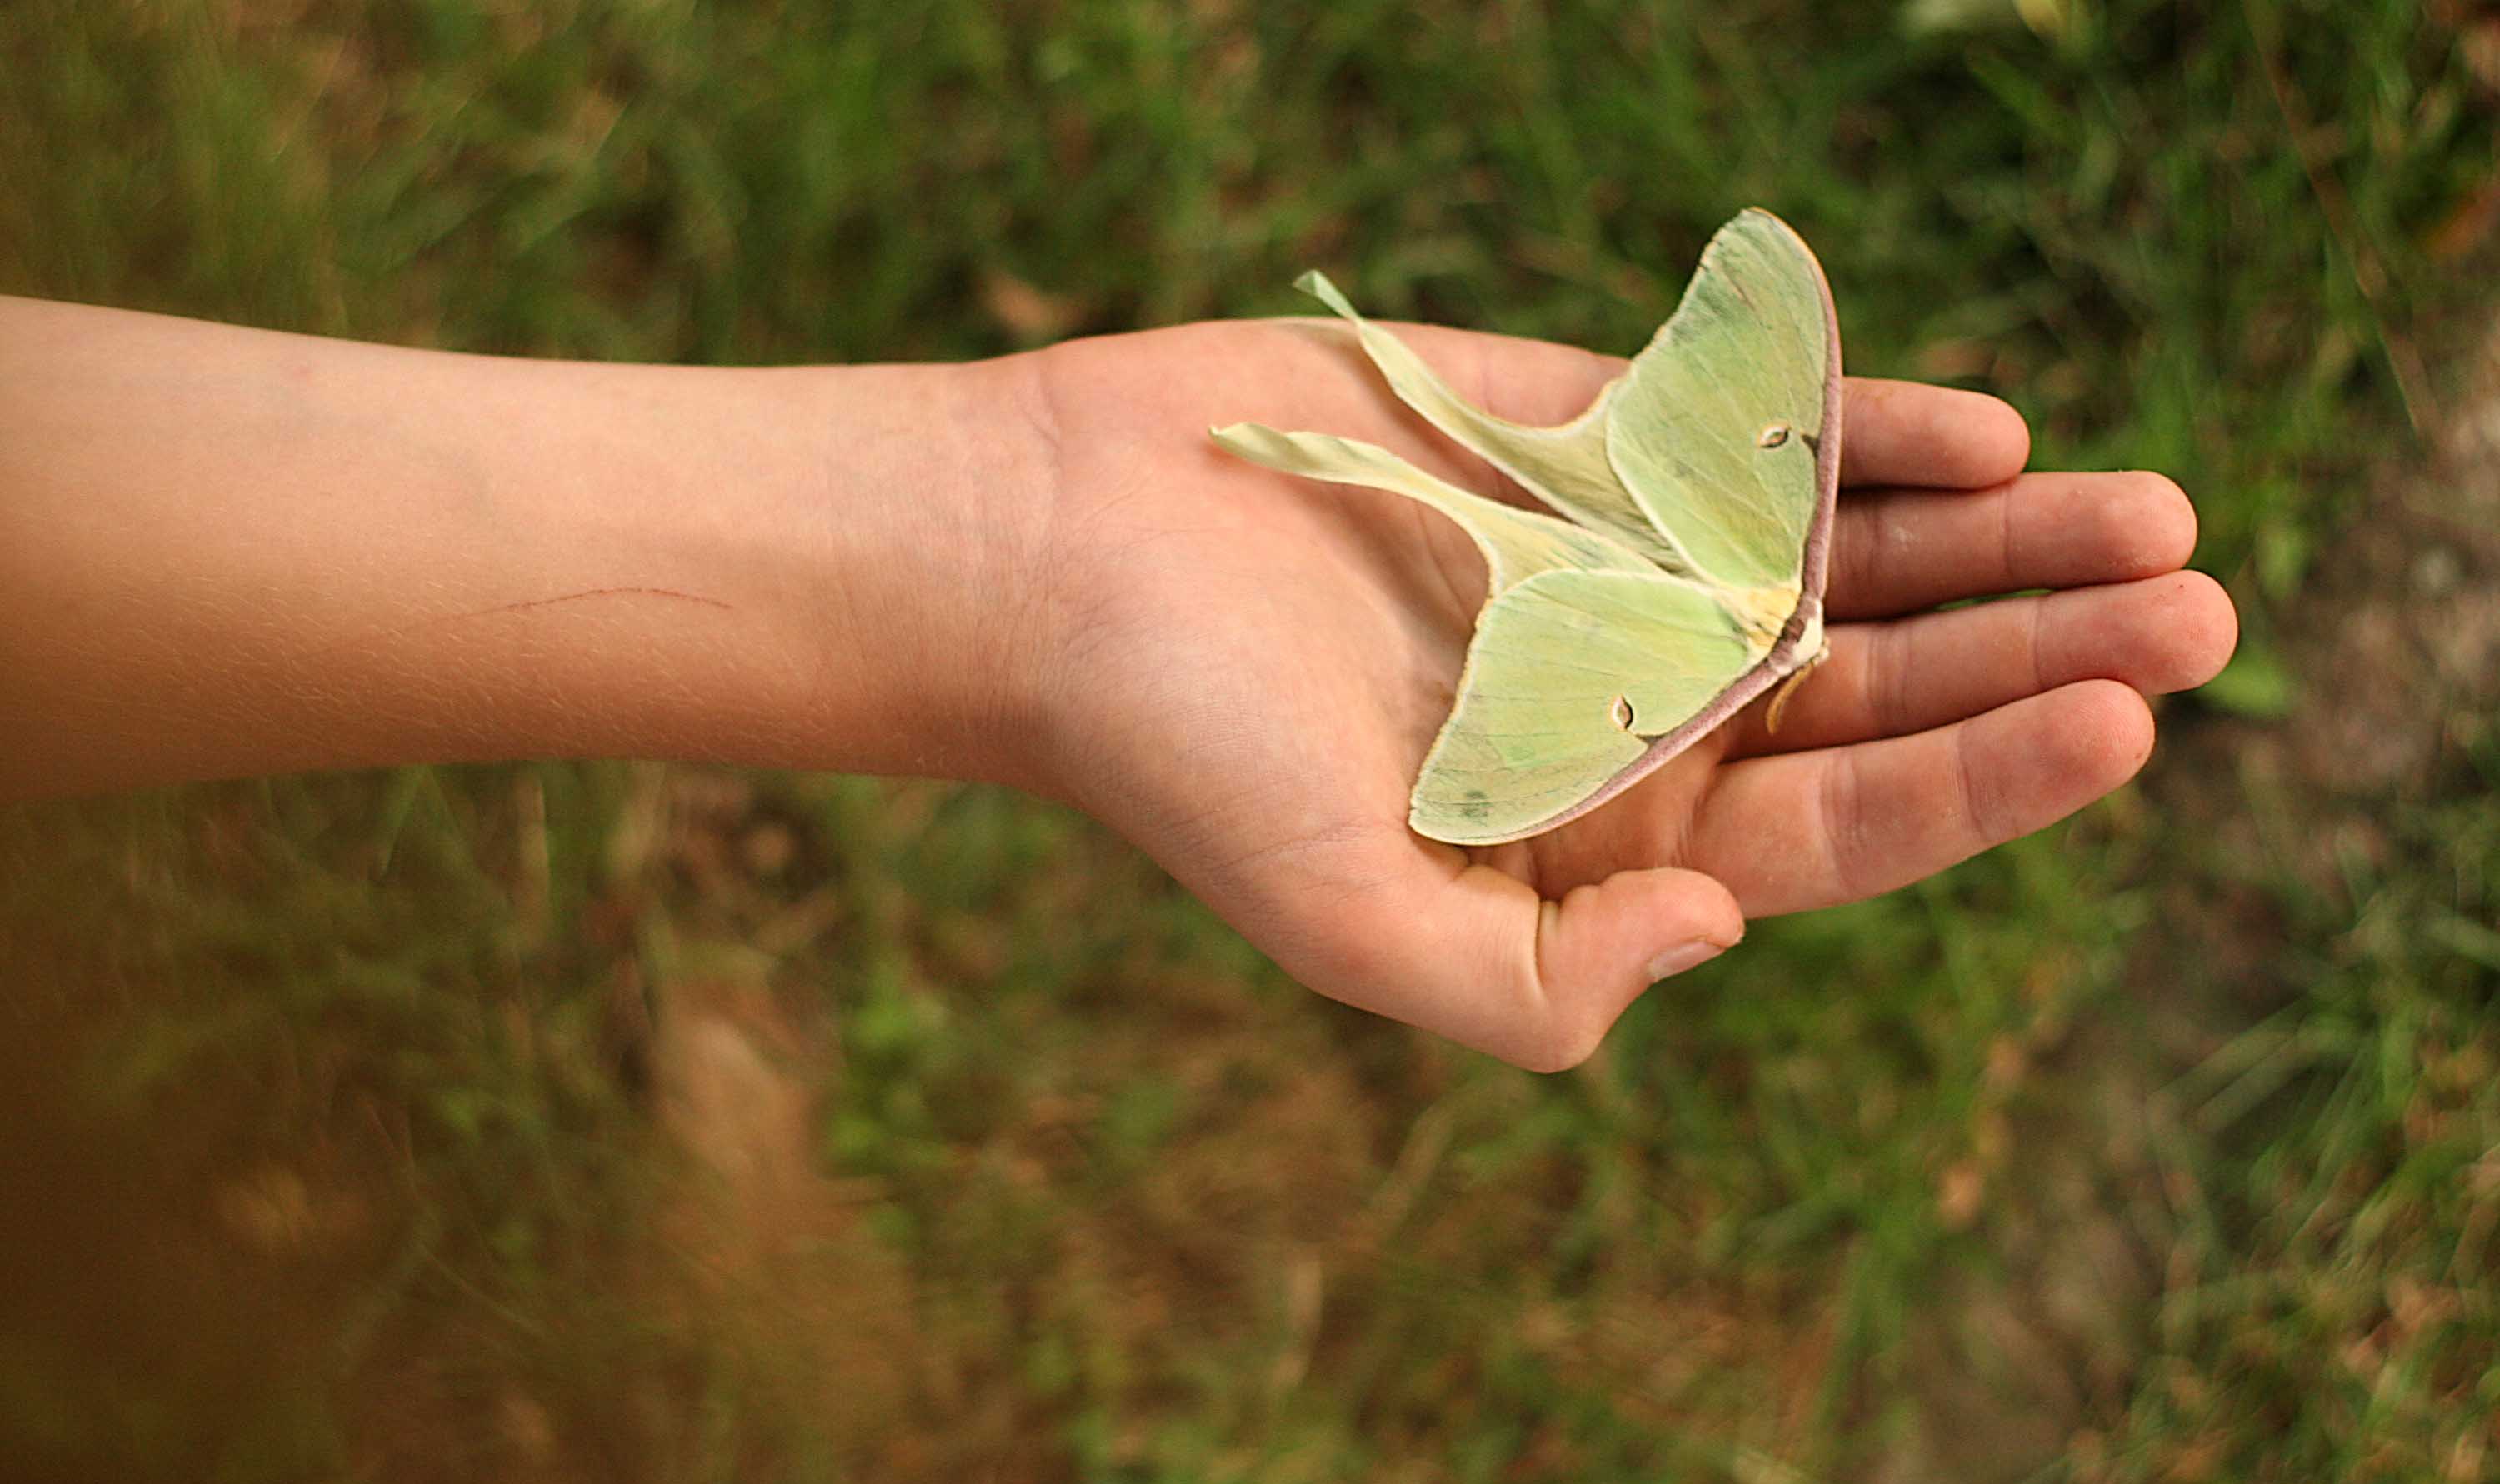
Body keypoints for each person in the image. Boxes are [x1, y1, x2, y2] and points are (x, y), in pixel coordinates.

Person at [0, 294, 2234, 1067]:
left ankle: (1330, 424)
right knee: (1463, 491)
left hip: (1660, 612)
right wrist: (1005, 540)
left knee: (1466, 491)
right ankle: (1352, 429)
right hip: (1664, 614)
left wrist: (1019, 546)